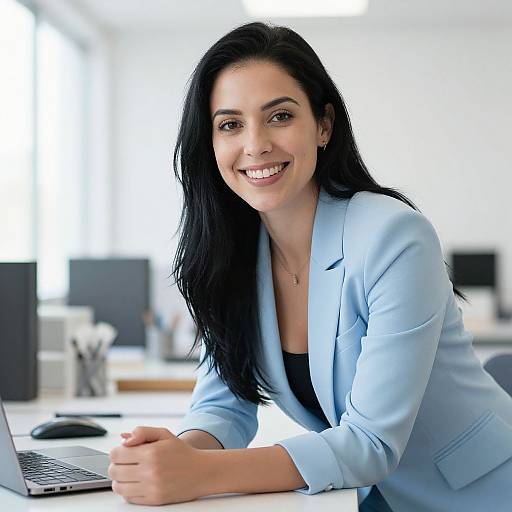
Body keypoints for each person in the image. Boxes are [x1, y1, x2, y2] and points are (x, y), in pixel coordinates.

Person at [108, 22, 512, 511]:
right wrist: (176, 456)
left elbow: (370, 443)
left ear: (323, 125)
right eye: (230, 124)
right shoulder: (231, 253)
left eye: (278, 116)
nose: (255, 145)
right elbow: (222, 405)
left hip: (479, 495)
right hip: (363, 494)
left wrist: (200, 474)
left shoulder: (392, 236)